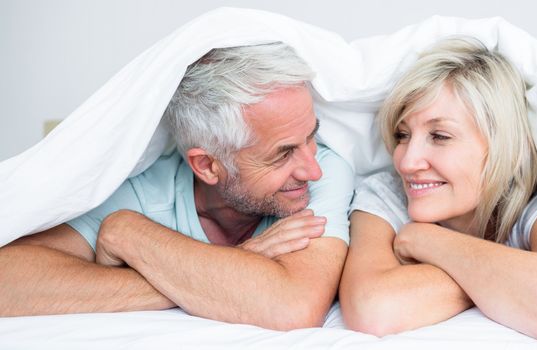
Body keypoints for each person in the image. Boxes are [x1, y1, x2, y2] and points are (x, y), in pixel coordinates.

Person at [0, 42, 354, 331]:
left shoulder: (324, 169)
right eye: (282, 154)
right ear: (207, 166)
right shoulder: (139, 192)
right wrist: (234, 267)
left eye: (311, 136)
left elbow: (292, 307)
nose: (312, 169)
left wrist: (129, 236)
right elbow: (7, 283)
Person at [339, 37, 537, 343]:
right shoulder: (385, 196)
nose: (408, 162)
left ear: (502, 145)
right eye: (403, 134)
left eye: (439, 136)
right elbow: (373, 309)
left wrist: (427, 241)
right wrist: (499, 280)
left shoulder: (533, 204)